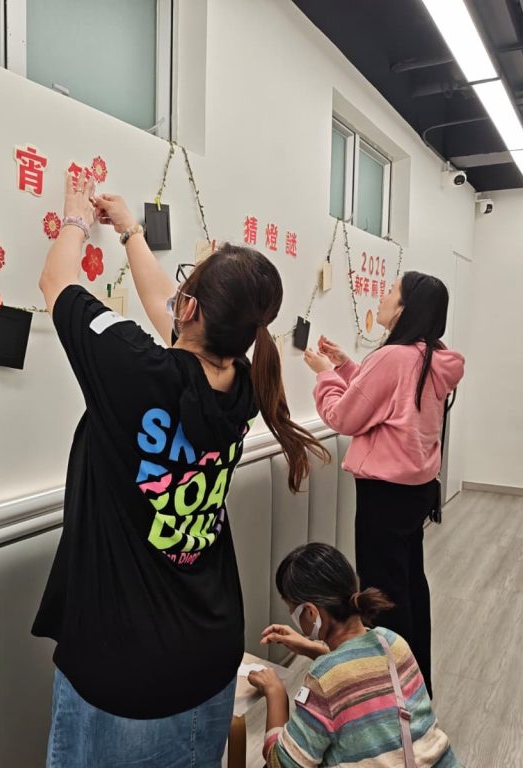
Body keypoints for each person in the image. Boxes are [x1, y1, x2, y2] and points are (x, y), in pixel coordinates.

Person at [33, 170, 329, 767]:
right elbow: (166, 307)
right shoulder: (244, 384)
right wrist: (130, 231)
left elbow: (56, 282)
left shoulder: (136, 369)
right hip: (208, 653)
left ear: (191, 308)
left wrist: (75, 218)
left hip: (124, 671)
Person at [302, 272, 463, 698]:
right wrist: (346, 367)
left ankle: (392, 698)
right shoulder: (433, 359)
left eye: (392, 290)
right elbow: (393, 399)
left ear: (407, 307)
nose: (384, 295)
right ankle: (416, 688)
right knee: (410, 587)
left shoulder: (392, 357)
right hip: (416, 493)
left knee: (382, 599)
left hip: (384, 497)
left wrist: (325, 375)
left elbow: (343, 417)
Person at [248, 543, 458, 767]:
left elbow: (282, 763)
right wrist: (309, 648)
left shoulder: (324, 678)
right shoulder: (391, 641)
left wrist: (275, 692)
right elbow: (358, 670)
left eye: (291, 608)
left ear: (310, 612)